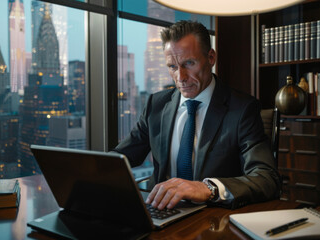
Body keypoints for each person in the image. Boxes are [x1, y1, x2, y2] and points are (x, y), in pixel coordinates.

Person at [112, 20, 280, 210]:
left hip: (212, 219)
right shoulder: (155, 105)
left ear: (210, 57)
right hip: (158, 210)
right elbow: (121, 158)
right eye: (172, 67)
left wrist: (208, 188)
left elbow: (267, 178)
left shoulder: (242, 109)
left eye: (189, 63)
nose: (180, 77)